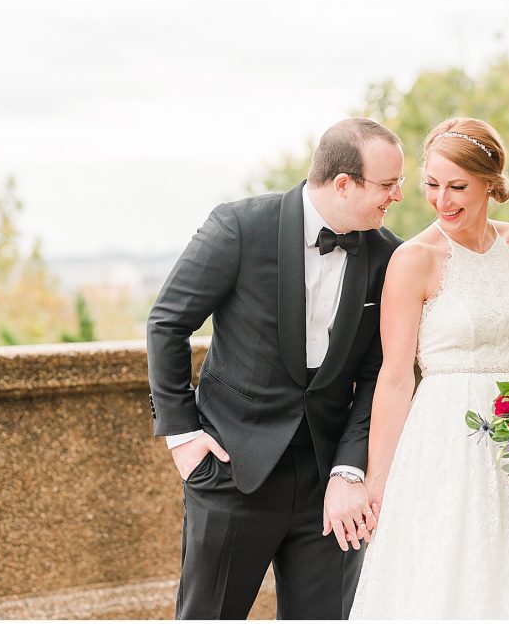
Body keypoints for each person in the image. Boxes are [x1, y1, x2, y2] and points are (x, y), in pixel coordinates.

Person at [147, 118, 405, 619]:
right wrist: (182, 436)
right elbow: (167, 323)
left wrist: (350, 469)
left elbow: (380, 373)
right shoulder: (240, 227)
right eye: (388, 184)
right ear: (344, 183)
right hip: (231, 469)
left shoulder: (387, 255)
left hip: (331, 487)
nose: (397, 195)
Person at [349, 117, 509, 619]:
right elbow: (396, 377)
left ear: (490, 182)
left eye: (457, 186)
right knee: (448, 573)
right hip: (447, 441)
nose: (442, 200)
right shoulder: (414, 260)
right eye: (431, 185)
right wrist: (378, 480)